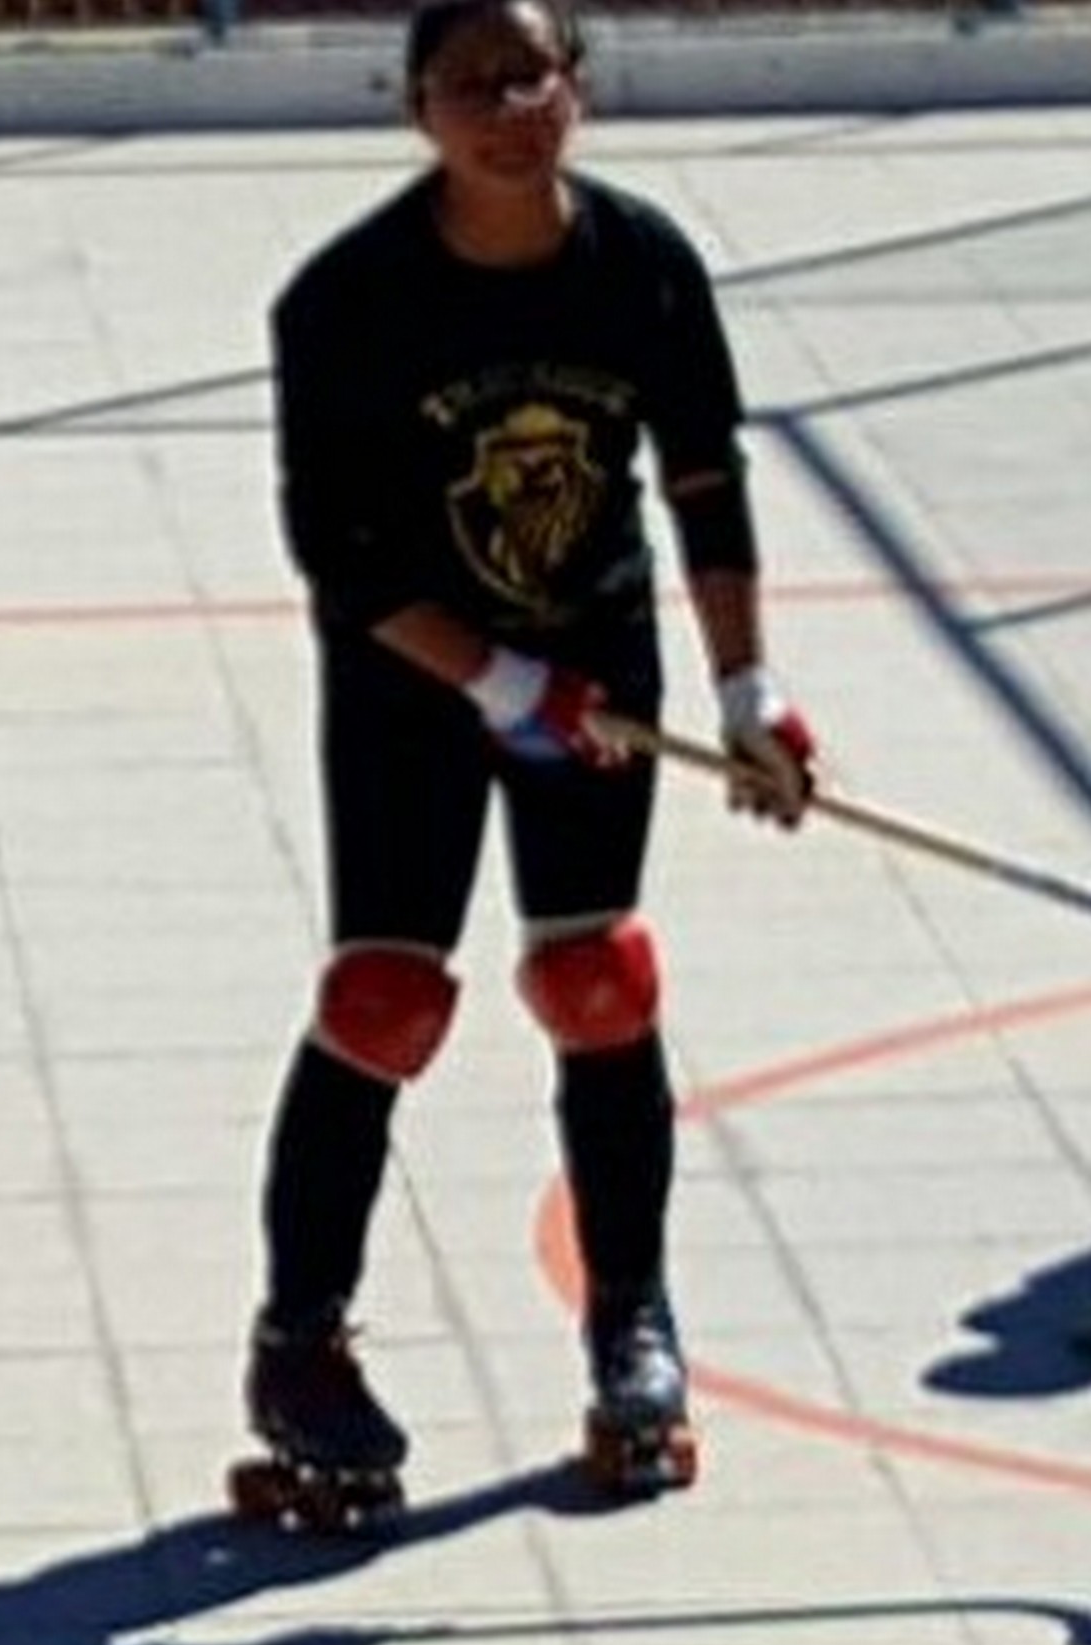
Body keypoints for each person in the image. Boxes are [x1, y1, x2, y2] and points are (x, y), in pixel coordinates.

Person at [241, 0, 820, 1518]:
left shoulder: (643, 266)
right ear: (418, 110)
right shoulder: (348, 301)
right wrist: (504, 682)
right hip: (414, 677)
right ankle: (300, 1337)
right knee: (385, 997)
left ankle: (631, 1310)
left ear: (580, 89)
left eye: (533, 75)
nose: (509, 107)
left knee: (597, 980)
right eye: (471, 85)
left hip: (597, 645)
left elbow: (703, 480)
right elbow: (343, 559)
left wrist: (748, 689)